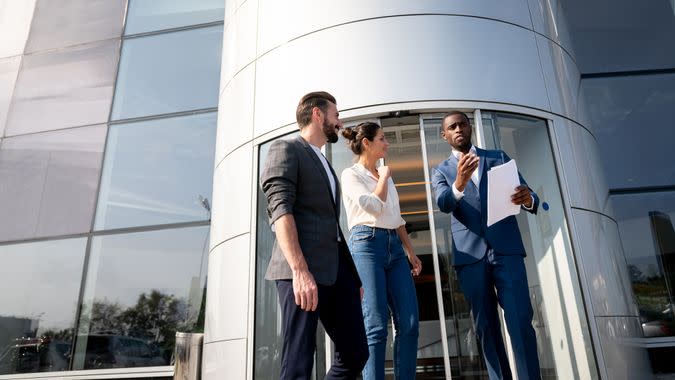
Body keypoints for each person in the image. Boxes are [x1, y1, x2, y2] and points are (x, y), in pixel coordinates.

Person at [260, 91, 369, 379]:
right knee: (298, 362)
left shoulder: (325, 163)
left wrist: (352, 277)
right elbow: (280, 211)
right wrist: (299, 270)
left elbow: (331, 225)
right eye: (336, 114)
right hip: (301, 270)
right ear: (318, 114)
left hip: (336, 273)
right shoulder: (285, 149)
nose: (339, 121)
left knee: (356, 352)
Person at [431, 111, 541, 380]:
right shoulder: (440, 171)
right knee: (486, 329)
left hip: (506, 251)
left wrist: (527, 198)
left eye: (462, 124)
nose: (458, 129)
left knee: (520, 320)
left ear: (470, 128)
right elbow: (444, 203)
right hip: (471, 257)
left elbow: (530, 196)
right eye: (452, 127)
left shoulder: (499, 157)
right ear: (444, 135)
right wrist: (459, 183)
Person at [340, 122, 422, 380]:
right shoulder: (351, 175)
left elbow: (396, 218)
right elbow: (373, 207)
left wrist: (410, 251)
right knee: (375, 326)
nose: (387, 144)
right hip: (366, 245)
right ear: (367, 143)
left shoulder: (385, 175)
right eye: (382, 139)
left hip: (394, 249)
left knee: (409, 324)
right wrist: (384, 177)